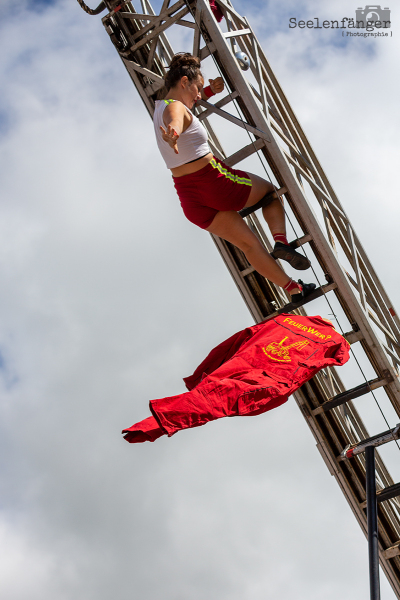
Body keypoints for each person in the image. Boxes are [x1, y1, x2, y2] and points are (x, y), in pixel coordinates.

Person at [154, 53, 315, 301]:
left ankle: (293, 289)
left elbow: (184, 112)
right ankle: (281, 242)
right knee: (271, 193)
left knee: (249, 245)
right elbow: (177, 118)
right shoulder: (175, 109)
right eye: (197, 88)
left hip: (190, 199)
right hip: (213, 182)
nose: (198, 95)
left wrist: (208, 91)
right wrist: (173, 133)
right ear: (184, 82)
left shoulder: (162, 105)